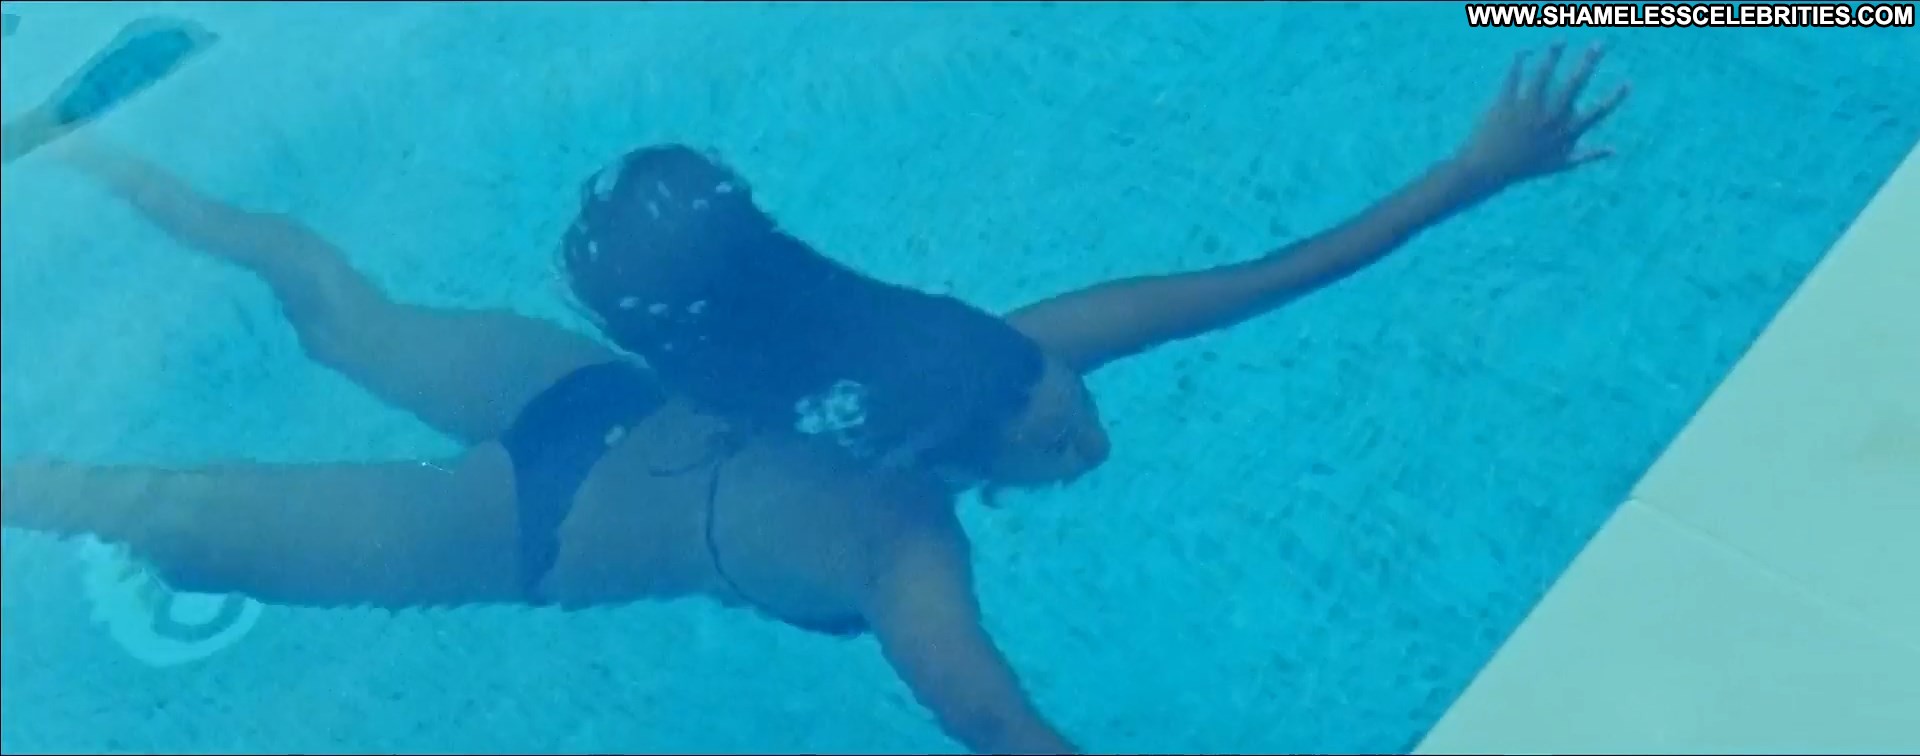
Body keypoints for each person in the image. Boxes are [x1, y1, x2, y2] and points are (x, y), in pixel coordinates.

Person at [2, 43, 1626, 754]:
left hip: (595, 391)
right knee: (163, 510)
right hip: (530, 528)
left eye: (1062, 403)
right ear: (961, 460)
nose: (1080, 427)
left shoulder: (969, 354)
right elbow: (988, 719)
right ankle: (78, 149)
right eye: (1054, 439)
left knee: (338, 311)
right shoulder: (903, 542)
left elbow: (1259, 277)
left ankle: (84, 146)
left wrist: (1472, 175)